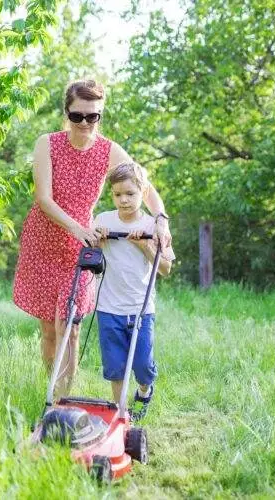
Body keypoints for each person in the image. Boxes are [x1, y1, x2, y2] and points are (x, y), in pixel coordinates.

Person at [12, 79, 172, 396]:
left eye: (92, 116)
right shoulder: (48, 143)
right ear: (66, 113)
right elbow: (43, 198)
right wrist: (76, 228)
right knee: (48, 329)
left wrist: (162, 220)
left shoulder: (109, 150)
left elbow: (146, 187)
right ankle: (53, 393)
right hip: (44, 242)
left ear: (100, 115)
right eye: (77, 116)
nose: (85, 123)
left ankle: (63, 400)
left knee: (69, 327)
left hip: (81, 247)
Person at [94, 162, 174, 420]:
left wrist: (145, 246)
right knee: (115, 367)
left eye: (130, 194)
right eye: (117, 194)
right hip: (108, 307)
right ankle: (120, 414)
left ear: (143, 192)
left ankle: (144, 390)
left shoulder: (153, 226)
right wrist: (98, 241)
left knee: (142, 367)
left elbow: (165, 270)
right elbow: (92, 258)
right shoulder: (103, 220)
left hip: (141, 308)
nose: (124, 200)